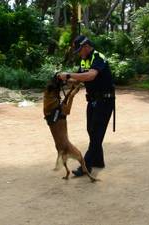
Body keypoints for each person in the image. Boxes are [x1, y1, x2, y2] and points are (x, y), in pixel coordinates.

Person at [58, 35, 115, 177]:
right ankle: (98, 161)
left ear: (86, 46)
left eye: (79, 50)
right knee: (91, 130)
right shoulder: (84, 61)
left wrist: (69, 74)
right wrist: (62, 79)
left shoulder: (98, 57)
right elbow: (77, 79)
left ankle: (86, 165)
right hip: (92, 101)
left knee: (96, 134)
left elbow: (90, 76)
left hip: (105, 101)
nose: (79, 54)